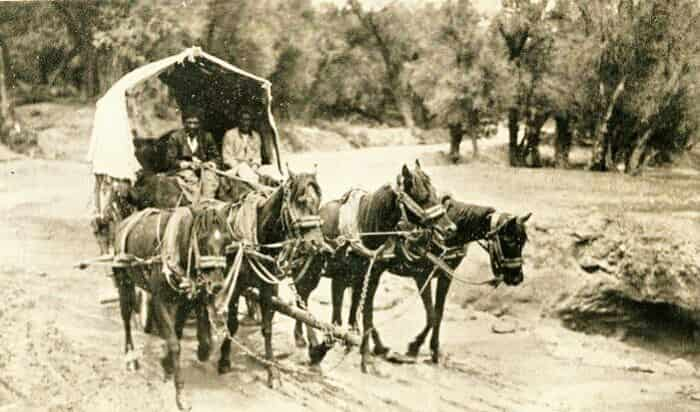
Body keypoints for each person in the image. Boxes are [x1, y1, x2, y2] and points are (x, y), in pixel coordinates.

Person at [167, 107, 221, 201]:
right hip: (182, 171)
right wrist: (187, 164)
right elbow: (170, 160)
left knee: (210, 177)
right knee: (190, 178)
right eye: (189, 122)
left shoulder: (206, 137)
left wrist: (210, 163)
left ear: (200, 124)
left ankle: (206, 204)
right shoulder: (175, 137)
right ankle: (194, 206)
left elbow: (216, 158)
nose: (192, 126)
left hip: (203, 170)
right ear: (184, 123)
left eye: (195, 123)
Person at [221, 111, 281, 186]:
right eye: (243, 120)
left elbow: (257, 158)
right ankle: (261, 189)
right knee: (244, 170)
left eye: (248, 120)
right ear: (238, 121)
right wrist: (241, 168)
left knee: (269, 170)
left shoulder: (256, 136)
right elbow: (227, 158)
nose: (245, 123)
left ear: (251, 122)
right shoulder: (230, 135)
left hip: (252, 169)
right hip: (234, 169)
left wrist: (253, 168)